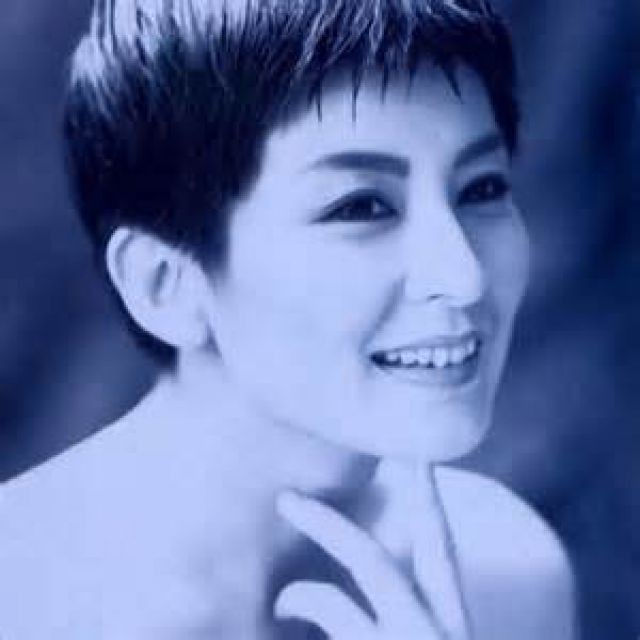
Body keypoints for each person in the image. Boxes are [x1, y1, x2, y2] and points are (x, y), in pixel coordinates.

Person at [0, 0, 577, 638]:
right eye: (361, 206)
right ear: (163, 284)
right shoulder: (22, 601)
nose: (464, 274)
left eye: (483, 188)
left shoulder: (507, 573)